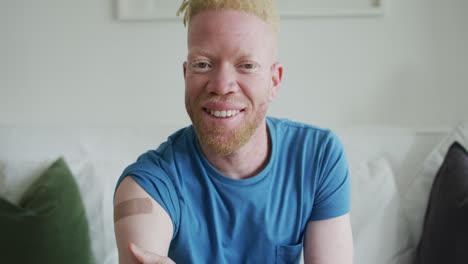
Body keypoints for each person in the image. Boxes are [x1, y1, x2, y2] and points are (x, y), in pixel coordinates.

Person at [113, 0, 354, 263]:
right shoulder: (146, 186)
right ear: (186, 75)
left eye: (247, 65)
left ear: (274, 81)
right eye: (203, 64)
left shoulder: (318, 158)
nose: (221, 85)